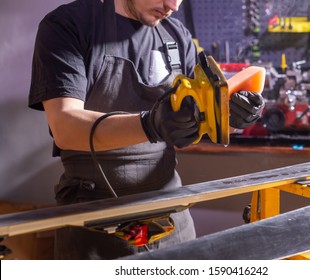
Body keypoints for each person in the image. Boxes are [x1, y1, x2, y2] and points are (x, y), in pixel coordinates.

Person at [28, 0, 264, 259]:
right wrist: (149, 124)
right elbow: (65, 126)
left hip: (171, 214)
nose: (172, 5)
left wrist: (233, 117)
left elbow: (200, 119)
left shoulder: (176, 35)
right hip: (96, 215)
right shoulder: (69, 25)